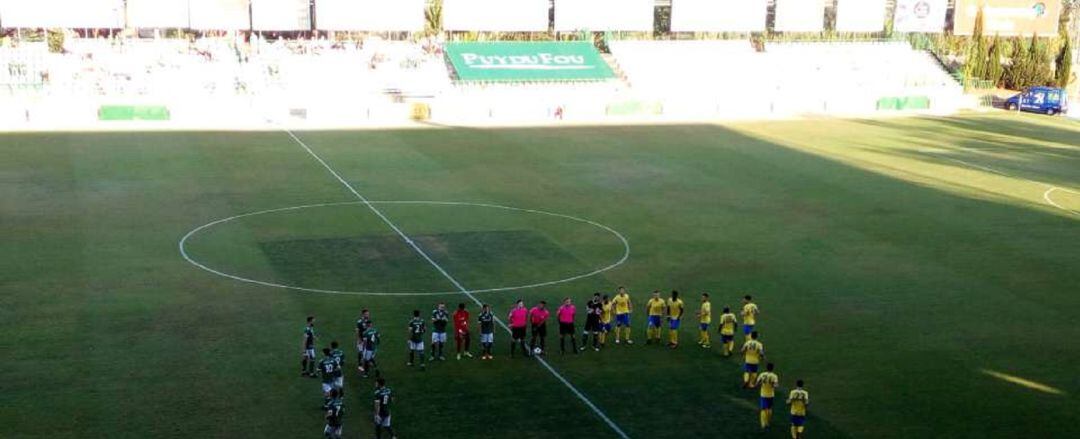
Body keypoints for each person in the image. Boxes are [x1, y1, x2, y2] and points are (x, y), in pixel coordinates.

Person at [756, 363, 780, 429]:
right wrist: (774, 385)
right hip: (771, 395)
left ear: (766, 368)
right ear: (773, 368)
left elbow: (757, 383)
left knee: (763, 409)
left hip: (763, 394)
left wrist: (759, 385)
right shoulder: (774, 376)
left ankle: (763, 424)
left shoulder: (762, 374)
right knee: (769, 408)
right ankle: (768, 421)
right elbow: (776, 385)